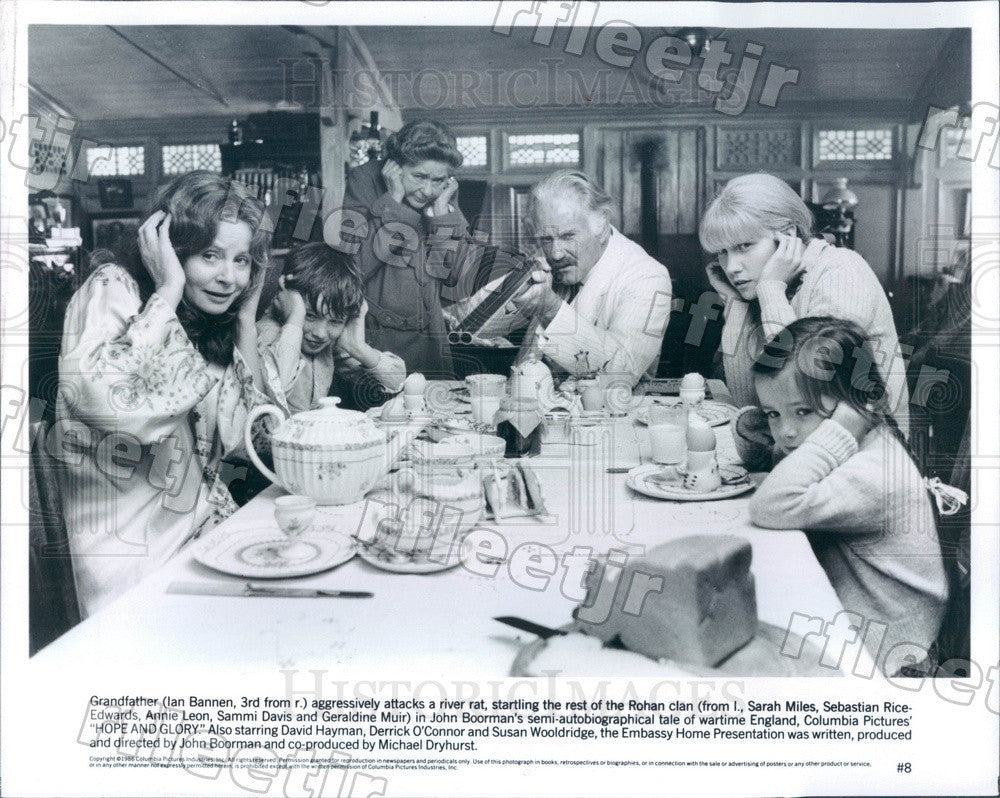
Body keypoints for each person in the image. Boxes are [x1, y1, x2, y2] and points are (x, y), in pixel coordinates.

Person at [55, 171, 272, 616]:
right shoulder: (113, 287)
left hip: (204, 531)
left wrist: (247, 322)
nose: (228, 278)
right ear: (167, 248)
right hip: (130, 554)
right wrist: (169, 289)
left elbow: (253, 439)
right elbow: (110, 405)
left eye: (242, 260)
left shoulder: (211, 318)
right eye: (210, 255)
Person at [742, 317, 947, 676]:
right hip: (862, 620)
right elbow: (784, 465)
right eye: (773, 414)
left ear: (854, 407)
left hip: (891, 653)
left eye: (803, 411)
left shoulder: (875, 472)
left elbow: (771, 504)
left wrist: (838, 427)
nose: (786, 433)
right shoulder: (859, 441)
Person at [699, 172, 910, 435]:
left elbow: (804, 392)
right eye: (723, 252)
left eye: (744, 246)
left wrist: (771, 289)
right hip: (806, 450)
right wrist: (737, 304)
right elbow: (755, 404)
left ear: (788, 236)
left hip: (867, 458)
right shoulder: (765, 288)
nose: (731, 267)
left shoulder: (841, 272)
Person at [468, 170, 672, 388]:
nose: (555, 253)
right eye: (546, 238)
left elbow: (620, 375)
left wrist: (550, 309)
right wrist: (515, 287)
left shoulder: (647, 276)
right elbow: (473, 325)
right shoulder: (549, 259)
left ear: (601, 225)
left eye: (568, 236)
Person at [342, 120, 469, 378]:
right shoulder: (364, 180)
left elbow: (450, 275)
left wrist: (443, 211)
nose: (427, 191)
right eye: (419, 177)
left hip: (429, 337)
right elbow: (356, 267)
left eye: (438, 180)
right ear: (396, 166)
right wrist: (394, 202)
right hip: (374, 335)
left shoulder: (442, 193)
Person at [257, 242, 406, 416]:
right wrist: (296, 318)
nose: (320, 333)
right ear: (286, 300)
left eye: (335, 321)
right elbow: (276, 387)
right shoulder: (267, 333)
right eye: (310, 315)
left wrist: (357, 346)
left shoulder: (327, 345)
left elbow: (395, 380)